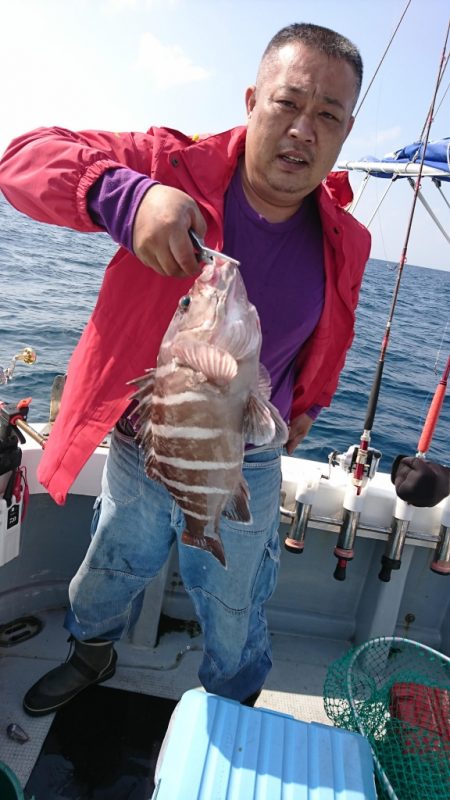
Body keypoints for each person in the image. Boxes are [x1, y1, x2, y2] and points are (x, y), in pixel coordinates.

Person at [0, 22, 370, 716]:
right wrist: (126, 198)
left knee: (234, 596)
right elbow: (21, 160)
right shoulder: (172, 167)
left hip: (249, 458)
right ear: (252, 99)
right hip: (145, 445)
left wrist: (308, 409)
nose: (303, 130)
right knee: (110, 569)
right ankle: (90, 653)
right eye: (288, 103)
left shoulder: (348, 238)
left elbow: (332, 334)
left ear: (346, 132)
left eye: (328, 115)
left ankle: (233, 699)